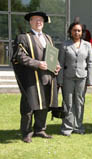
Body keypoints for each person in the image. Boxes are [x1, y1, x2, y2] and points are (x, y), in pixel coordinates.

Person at [11, 11, 60, 143]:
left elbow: (52, 56)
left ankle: (40, 129)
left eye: (41, 20)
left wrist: (56, 65)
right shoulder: (23, 38)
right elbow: (20, 57)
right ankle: (26, 132)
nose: (39, 22)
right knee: (29, 106)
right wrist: (37, 64)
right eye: (35, 19)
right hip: (31, 78)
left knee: (44, 104)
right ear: (30, 22)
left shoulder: (48, 38)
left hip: (47, 77)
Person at [57, 22, 92, 136]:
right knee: (67, 102)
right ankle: (67, 127)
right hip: (68, 77)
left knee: (79, 102)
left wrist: (90, 80)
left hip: (82, 78)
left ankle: (78, 126)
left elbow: (91, 63)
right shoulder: (65, 45)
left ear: (82, 32)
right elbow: (60, 63)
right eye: (74, 30)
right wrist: (60, 80)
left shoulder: (87, 45)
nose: (76, 32)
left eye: (79, 30)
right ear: (70, 31)